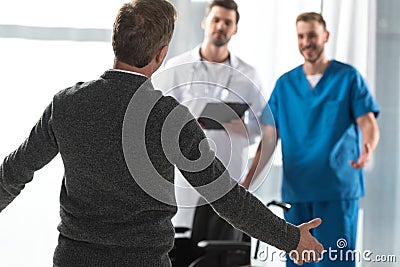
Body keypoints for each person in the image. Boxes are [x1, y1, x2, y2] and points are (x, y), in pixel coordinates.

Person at [0, 1, 324, 266]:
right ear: (160, 54)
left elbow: (12, 172)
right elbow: (226, 197)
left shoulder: (66, 105)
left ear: (115, 42)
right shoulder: (170, 117)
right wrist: (291, 238)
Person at [241, 12, 380, 267]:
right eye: (301, 36)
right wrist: (249, 179)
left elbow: (367, 122)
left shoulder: (348, 78)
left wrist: (367, 149)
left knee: (336, 262)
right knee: (299, 262)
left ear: (325, 36)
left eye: (312, 35)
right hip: (297, 191)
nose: (307, 42)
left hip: (337, 190)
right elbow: (270, 137)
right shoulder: (285, 84)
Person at [154, 0, 266, 232]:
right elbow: (157, 121)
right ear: (205, 22)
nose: (221, 26)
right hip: (186, 179)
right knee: (184, 249)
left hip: (231, 176)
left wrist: (239, 129)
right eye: (216, 20)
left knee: (226, 250)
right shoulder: (177, 68)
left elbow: (260, 127)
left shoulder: (249, 75)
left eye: (228, 22)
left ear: (235, 29)